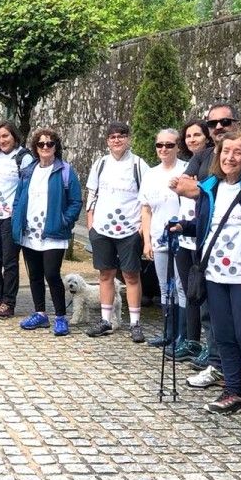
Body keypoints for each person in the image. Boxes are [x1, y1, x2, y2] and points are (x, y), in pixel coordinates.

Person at [175, 131, 241, 420]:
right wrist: (184, 226)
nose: (230, 157)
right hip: (214, 272)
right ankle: (232, 388)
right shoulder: (210, 187)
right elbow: (207, 226)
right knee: (223, 334)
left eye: (237, 153)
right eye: (225, 152)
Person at [13, 128, 83, 337]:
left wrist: (64, 220)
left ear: (55, 147)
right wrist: (17, 218)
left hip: (53, 231)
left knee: (51, 274)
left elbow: (75, 201)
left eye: (50, 144)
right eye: (41, 144)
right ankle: (40, 313)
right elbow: (18, 198)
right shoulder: (28, 172)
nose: (45, 147)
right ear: (35, 147)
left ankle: (61, 317)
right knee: (34, 275)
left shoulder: (65, 171)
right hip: (30, 231)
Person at [85, 121, 149, 341]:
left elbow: (146, 199)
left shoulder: (139, 165)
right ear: (107, 141)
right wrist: (91, 224)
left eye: (121, 135)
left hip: (129, 228)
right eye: (113, 137)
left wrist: (142, 228)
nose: (117, 140)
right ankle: (106, 320)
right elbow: (92, 194)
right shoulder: (100, 164)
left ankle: (135, 323)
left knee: (131, 275)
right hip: (102, 228)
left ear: (128, 138)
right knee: (106, 274)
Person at [0, 121, 33, 320]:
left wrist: (20, 211)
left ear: (14, 136)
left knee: (9, 261)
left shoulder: (23, 158)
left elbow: (28, 188)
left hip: (12, 217)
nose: (2, 140)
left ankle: (8, 302)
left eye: (5, 136)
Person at [139, 128, 189, 347]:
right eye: (159, 145)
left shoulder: (186, 170)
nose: (164, 149)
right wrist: (147, 240)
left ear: (178, 146)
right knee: (164, 287)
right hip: (159, 237)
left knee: (180, 286)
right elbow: (146, 209)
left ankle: (183, 336)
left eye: (169, 145)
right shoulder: (150, 174)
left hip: (183, 237)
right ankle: (168, 333)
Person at [171, 120, 210, 363]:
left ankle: (210, 347)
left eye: (197, 135)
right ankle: (192, 340)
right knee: (189, 291)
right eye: (188, 136)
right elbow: (178, 187)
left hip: (202, 233)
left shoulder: (212, 163)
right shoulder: (188, 165)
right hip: (185, 231)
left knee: (206, 294)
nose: (192, 139)